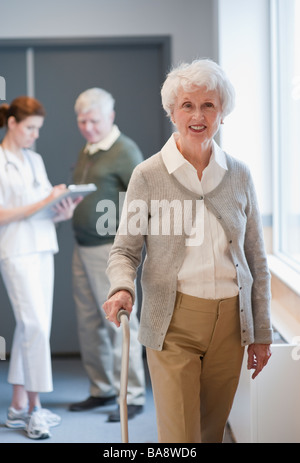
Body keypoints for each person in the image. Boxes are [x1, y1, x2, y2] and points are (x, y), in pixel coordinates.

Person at [103, 59, 273, 443]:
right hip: (173, 322)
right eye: (187, 105)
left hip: (230, 324)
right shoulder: (148, 175)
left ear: (222, 113)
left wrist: (260, 332)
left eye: (208, 105)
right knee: (181, 439)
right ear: (172, 112)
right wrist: (121, 287)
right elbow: (124, 252)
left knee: (211, 433)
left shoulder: (240, 174)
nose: (198, 115)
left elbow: (256, 260)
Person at [0, 96, 79, 440]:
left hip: (43, 246)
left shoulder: (35, 160)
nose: (34, 135)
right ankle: (35, 409)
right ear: (12, 124)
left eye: (38, 130)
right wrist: (43, 202)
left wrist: (61, 208)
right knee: (34, 326)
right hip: (16, 251)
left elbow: (44, 205)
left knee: (32, 327)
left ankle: (17, 407)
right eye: (30, 128)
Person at [69, 88, 145, 421]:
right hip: (82, 246)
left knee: (119, 323)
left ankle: (133, 395)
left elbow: (144, 200)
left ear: (110, 117)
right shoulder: (89, 149)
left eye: (94, 121)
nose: (87, 127)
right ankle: (102, 390)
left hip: (109, 249)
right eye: (82, 121)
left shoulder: (125, 151)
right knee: (89, 325)